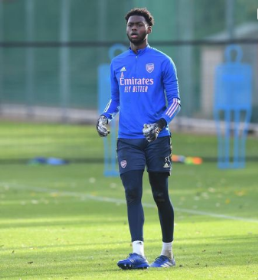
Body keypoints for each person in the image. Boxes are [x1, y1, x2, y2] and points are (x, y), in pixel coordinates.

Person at [96, 7, 181, 269]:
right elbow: (115, 99)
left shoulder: (163, 61)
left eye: (138, 25)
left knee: (160, 195)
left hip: (157, 139)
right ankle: (138, 254)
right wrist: (105, 116)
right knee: (132, 193)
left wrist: (160, 124)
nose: (133, 28)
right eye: (130, 25)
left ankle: (167, 254)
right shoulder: (117, 63)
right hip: (128, 140)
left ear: (148, 29)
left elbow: (175, 101)